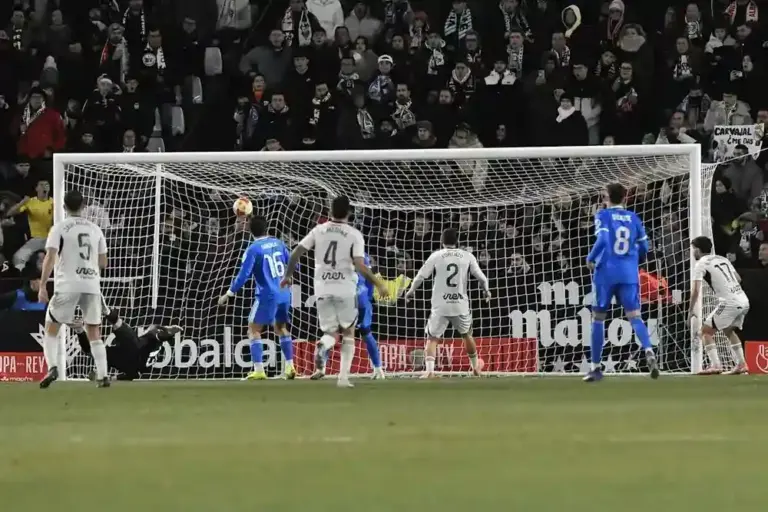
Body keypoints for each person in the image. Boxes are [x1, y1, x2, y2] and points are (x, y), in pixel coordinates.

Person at [280, 196, 387, 388]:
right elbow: (360, 266)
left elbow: (296, 252)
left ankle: (325, 344)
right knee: (348, 333)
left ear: (330, 211)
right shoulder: (354, 234)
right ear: (349, 213)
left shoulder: (318, 230)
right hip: (345, 287)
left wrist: (288, 275)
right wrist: (379, 283)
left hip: (322, 287)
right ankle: (343, 378)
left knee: (330, 332)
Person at [584, 183, 658, 382]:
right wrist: (634, 258)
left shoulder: (603, 215)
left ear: (606, 198)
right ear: (624, 198)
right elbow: (645, 245)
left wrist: (589, 258)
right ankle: (648, 349)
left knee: (598, 318)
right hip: (628, 273)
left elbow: (603, 241)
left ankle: (596, 368)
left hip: (606, 272)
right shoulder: (633, 217)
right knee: (635, 316)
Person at [38, 189, 109, 388]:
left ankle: (52, 366)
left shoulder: (59, 228)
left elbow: (50, 257)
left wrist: (43, 285)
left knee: (51, 327)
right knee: (94, 330)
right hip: (91, 284)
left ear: (64, 206)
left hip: (68, 284)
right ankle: (103, 375)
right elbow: (103, 262)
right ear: (84, 206)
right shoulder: (95, 229)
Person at [404, 228, 491, 379]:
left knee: (432, 338)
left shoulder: (436, 255)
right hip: (459, 303)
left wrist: (411, 291)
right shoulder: (467, 256)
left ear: (442, 241)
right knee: (467, 335)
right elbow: (482, 278)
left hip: (440, 304)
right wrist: (486, 291)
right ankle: (475, 367)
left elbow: (420, 276)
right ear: (457, 241)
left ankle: (430, 371)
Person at [218, 215, 297, 380]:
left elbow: (243, 275)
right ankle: (290, 367)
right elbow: (294, 264)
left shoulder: (253, 249)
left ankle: (259, 369)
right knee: (281, 328)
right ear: (266, 227)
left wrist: (229, 293)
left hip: (268, 294)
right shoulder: (279, 243)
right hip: (284, 293)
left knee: (253, 329)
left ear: (249, 229)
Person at [311, 251, 385, 380]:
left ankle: (321, 368)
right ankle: (377, 369)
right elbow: (369, 278)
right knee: (364, 334)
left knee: (332, 333)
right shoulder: (361, 255)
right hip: (359, 297)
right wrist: (368, 298)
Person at [689, 236, 750, 375]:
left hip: (729, 302)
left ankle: (716, 365)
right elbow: (738, 279)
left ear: (697, 250)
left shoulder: (701, 264)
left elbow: (696, 291)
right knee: (729, 330)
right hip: (743, 300)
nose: (693, 253)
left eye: (693, 249)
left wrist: (691, 310)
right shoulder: (723, 258)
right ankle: (742, 364)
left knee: (705, 331)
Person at [75, 308, 182, 380]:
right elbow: (133, 375)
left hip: (134, 347)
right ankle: (79, 329)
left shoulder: (151, 337)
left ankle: (103, 310)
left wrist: (169, 333)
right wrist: (113, 378)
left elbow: (159, 334)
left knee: (117, 323)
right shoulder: (154, 347)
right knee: (92, 352)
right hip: (129, 365)